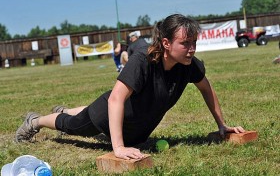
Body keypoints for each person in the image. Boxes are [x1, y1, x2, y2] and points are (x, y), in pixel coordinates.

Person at [15, 14, 245, 160]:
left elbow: (207, 88)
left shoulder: (188, 64)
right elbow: (116, 100)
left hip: (133, 126)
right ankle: (36, 120)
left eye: (193, 42)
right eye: (185, 43)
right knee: (73, 125)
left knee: (85, 112)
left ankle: (64, 110)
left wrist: (222, 125)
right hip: (107, 115)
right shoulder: (142, 61)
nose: (192, 48)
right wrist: (119, 148)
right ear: (166, 43)